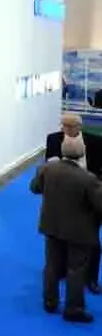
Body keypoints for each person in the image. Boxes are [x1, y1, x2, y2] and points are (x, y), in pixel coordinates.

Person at [31, 139, 102, 322]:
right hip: (79, 231)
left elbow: (35, 188)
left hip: (52, 226)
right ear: (81, 153)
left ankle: (50, 301)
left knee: (52, 266)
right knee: (76, 269)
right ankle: (74, 309)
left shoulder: (47, 169)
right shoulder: (88, 179)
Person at [45, 113, 102, 292]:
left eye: (70, 126)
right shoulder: (53, 140)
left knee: (92, 241)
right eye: (64, 126)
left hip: (90, 198)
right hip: (63, 201)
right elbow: (48, 169)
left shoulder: (95, 142)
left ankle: (91, 278)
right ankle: (62, 270)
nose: (67, 129)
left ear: (79, 127)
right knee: (60, 240)